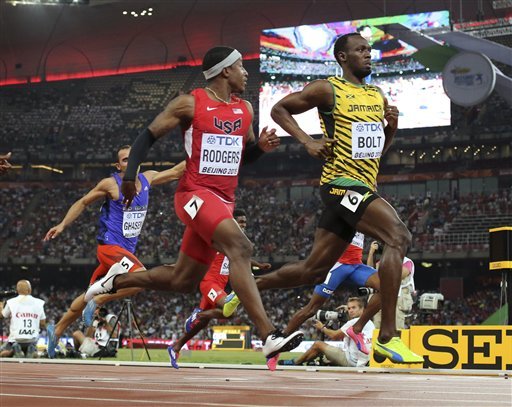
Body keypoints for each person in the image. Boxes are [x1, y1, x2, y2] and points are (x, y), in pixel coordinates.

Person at [84, 46, 304, 361]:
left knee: (182, 280)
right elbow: (145, 138)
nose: (246, 73)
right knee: (241, 248)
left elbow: (244, 157)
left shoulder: (245, 110)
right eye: (241, 67)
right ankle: (269, 334)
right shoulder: (190, 103)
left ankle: (113, 281)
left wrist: (262, 149)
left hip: (224, 200)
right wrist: (130, 177)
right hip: (194, 194)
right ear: (225, 71)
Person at [255, 33, 423, 364]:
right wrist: (307, 141)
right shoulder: (327, 89)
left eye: (369, 50)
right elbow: (279, 109)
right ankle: (387, 335)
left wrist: (391, 129)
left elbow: (375, 153)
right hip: (339, 185)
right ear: (343, 58)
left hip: (363, 185)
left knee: (312, 270)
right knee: (398, 236)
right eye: (361, 50)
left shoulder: (377, 95)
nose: (368, 54)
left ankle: (246, 286)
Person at [43, 145, 185, 358]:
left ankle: (56, 332)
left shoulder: (148, 179)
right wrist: (63, 224)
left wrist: (200, 149)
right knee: (141, 278)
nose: (131, 162)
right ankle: (99, 300)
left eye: (134, 157)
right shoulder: (111, 184)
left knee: (85, 297)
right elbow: (83, 201)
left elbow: (176, 171)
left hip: (124, 254)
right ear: (118, 166)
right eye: (126, 160)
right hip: (109, 248)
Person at [168, 208, 271, 369]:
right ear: (233, 222)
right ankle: (198, 314)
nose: (244, 225)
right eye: (241, 222)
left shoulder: (236, 241)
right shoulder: (221, 238)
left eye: (245, 222)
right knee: (231, 310)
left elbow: (242, 258)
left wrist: (259, 264)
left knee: (203, 323)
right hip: (209, 282)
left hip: (220, 284)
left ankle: (176, 347)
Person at [262, 232, 379, 368]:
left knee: (387, 286)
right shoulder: (349, 212)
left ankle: (358, 329)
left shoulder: (365, 215)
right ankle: (277, 345)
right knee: (311, 309)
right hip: (338, 266)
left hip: (356, 265)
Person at [280, 297, 374, 367]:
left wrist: (322, 328)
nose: (350, 310)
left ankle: (294, 362)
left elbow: (334, 336)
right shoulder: (368, 322)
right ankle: (308, 362)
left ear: (362, 309)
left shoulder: (353, 322)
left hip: (352, 361)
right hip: (364, 360)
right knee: (327, 358)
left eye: (354, 308)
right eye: (349, 308)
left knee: (318, 345)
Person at [367, 241, 415, 329]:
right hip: (382, 297)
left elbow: (400, 275)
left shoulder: (407, 261)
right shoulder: (382, 261)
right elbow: (369, 271)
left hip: (398, 298)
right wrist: (371, 253)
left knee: (397, 327)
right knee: (378, 325)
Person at [0, 280, 46, 358]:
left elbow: (2, 316)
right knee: (35, 354)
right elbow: (42, 324)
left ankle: (13, 351)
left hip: (15, 339)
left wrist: (1, 303)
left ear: (17, 290)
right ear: (30, 289)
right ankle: (32, 350)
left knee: (2, 353)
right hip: (32, 339)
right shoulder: (39, 303)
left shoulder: (11, 302)